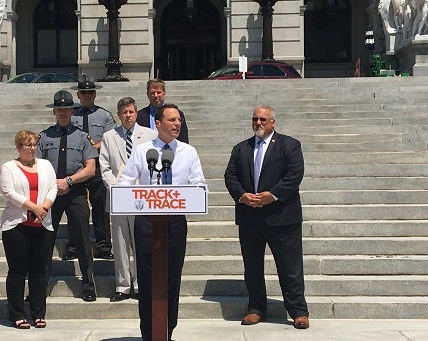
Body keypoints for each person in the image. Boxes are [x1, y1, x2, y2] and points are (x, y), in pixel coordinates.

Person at [118, 104, 205, 341]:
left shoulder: (188, 152)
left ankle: (167, 330)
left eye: (179, 120)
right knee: (146, 277)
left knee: (172, 276)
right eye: (172, 120)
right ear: (158, 124)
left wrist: (181, 197)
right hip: (147, 222)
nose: (177, 124)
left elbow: (198, 185)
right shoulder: (143, 150)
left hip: (175, 222)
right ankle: (149, 333)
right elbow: (126, 181)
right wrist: (137, 197)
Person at [224, 105, 310, 329]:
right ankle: (256, 309)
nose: (258, 123)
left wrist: (272, 195)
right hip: (250, 217)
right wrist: (242, 196)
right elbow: (230, 176)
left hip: (282, 217)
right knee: (252, 268)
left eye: (263, 119)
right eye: (255, 119)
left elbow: (294, 174)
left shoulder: (289, 145)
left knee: (290, 267)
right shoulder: (241, 148)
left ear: (273, 122)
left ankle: (298, 311)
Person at [37, 90, 100, 302]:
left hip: (76, 192)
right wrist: (53, 184)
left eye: (66, 109)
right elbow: (35, 165)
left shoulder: (82, 137)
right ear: (54, 111)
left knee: (83, 239)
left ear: (72, 111)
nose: (63, 113)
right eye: (59, 109)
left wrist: (69, 181)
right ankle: (40, 285)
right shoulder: (44, 136)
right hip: (50, 195)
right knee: (45, 241)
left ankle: (88, 285)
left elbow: (91, 169)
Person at [100, 97, 158, 302]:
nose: (128, 116)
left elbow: (154, 164)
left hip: (141, 196)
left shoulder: (150, 135)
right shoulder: (109, 136)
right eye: (124, 112)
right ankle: (123, 285)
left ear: (136, 113)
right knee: (120, 243)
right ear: (118, 115)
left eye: (131, 112)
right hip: (118, 197)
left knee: (141, 242)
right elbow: (105, 167)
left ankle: (141, 284)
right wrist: (117, 189)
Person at [0, 130, 58, 329]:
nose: (32, 149)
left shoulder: (45, 165)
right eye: (27, 145)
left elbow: (53, 188)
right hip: (17, 226)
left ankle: (38, 313)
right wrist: (33, 207)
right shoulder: (9, 167)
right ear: (18, 147)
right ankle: (16, 314)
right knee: (17, 271)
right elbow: (8, 192)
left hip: (42, 224)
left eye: (34, 145)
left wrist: (45, 207)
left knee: (39, 271)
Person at [61, 74, 116, 261]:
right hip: (76, 168)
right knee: (75, 208)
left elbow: (110, 139)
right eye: (83, 92)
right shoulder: (70, 113)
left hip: (98, 166)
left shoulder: (104, 115)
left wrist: (92, 147)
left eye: (90, 92)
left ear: (94, 94)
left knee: (101, 207)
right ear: (78, 94)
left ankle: (103, 245)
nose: (87, 95)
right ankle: (74, 245)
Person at [136, 78, 189, 143]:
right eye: (152, 93)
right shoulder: (140, 115)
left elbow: (183, 138)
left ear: (164, 93)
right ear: (147, 95)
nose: (156, 95)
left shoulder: (177, 114)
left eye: (159, 92)